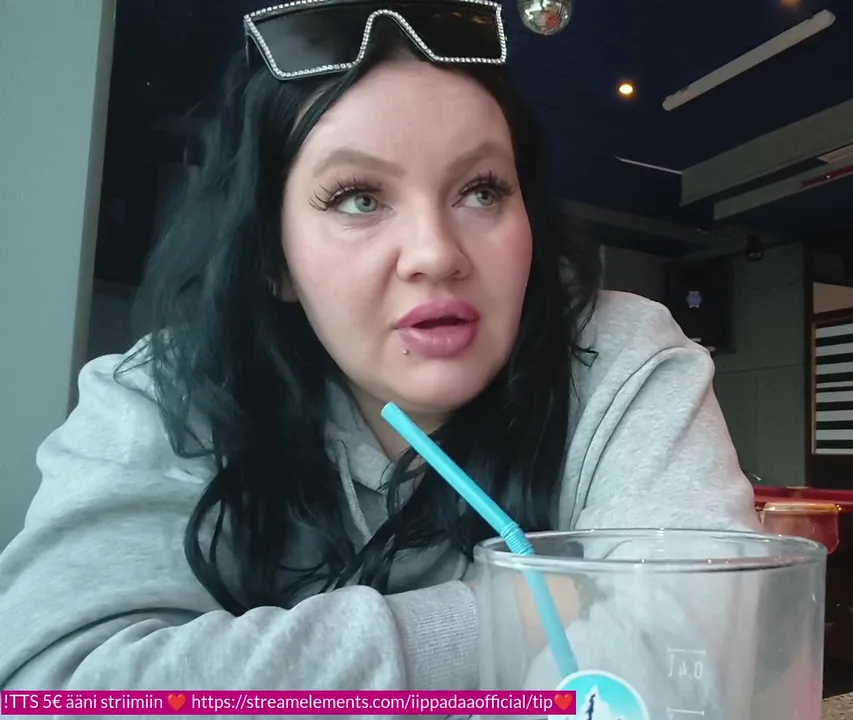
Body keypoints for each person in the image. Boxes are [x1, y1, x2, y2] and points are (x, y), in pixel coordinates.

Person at [0, 0, 759, 693]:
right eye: (358, 198)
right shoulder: (164, 394)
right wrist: (516, 611)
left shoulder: (619, 357)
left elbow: (702, 646)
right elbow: (56, 687)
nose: (435, 253)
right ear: (274, 259)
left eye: (482, 190)